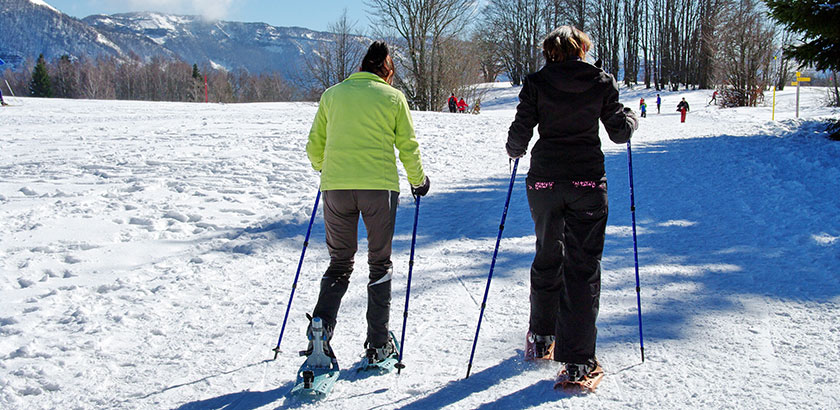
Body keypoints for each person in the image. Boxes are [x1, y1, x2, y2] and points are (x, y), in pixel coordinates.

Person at [506, 26, 637, 384]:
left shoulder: (536, 82)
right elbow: (618, 132)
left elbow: (519, 133)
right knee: (582, 267)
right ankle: (578, 361)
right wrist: (630, 119)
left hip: (545, 182)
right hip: (586, 183)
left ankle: (541, 337)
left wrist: (515, 149)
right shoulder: (600, 81)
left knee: (548, 253)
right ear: (582, 49)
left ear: (549, 51)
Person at [304, 41, 430, 366]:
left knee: (340, 263)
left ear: (361, 67)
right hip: (379, 189)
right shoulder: (393, 97)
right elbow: (408, 147)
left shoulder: (332, 95)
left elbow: (314, 146)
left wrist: (325, 168)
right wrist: (419, 181)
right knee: (379, 263)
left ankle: (322, 327)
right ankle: (377, 345)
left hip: (336, 188)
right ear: (387, 72)